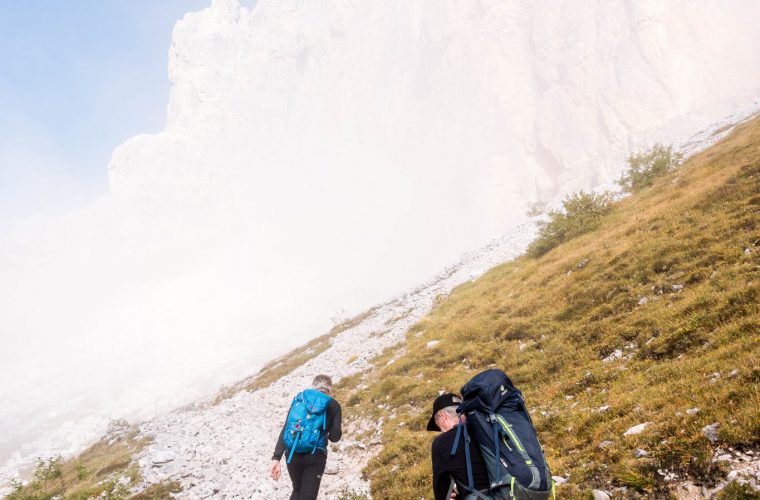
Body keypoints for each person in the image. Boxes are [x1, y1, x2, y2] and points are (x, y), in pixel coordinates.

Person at [271, 374, 342, 500]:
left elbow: (286, 428)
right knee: (308, 497)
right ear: (330, 389)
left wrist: (276, 458)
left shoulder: (300, 399)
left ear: (313, 386)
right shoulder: (333, 405)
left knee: (297, 490)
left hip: (292, 453)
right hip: (316, 455)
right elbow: (335, 437)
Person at [428, 393, 490, 500]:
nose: (442, 431)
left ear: (443, 415)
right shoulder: (486, 429)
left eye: (440, 427)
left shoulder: (441, 443)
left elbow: (442, 492)